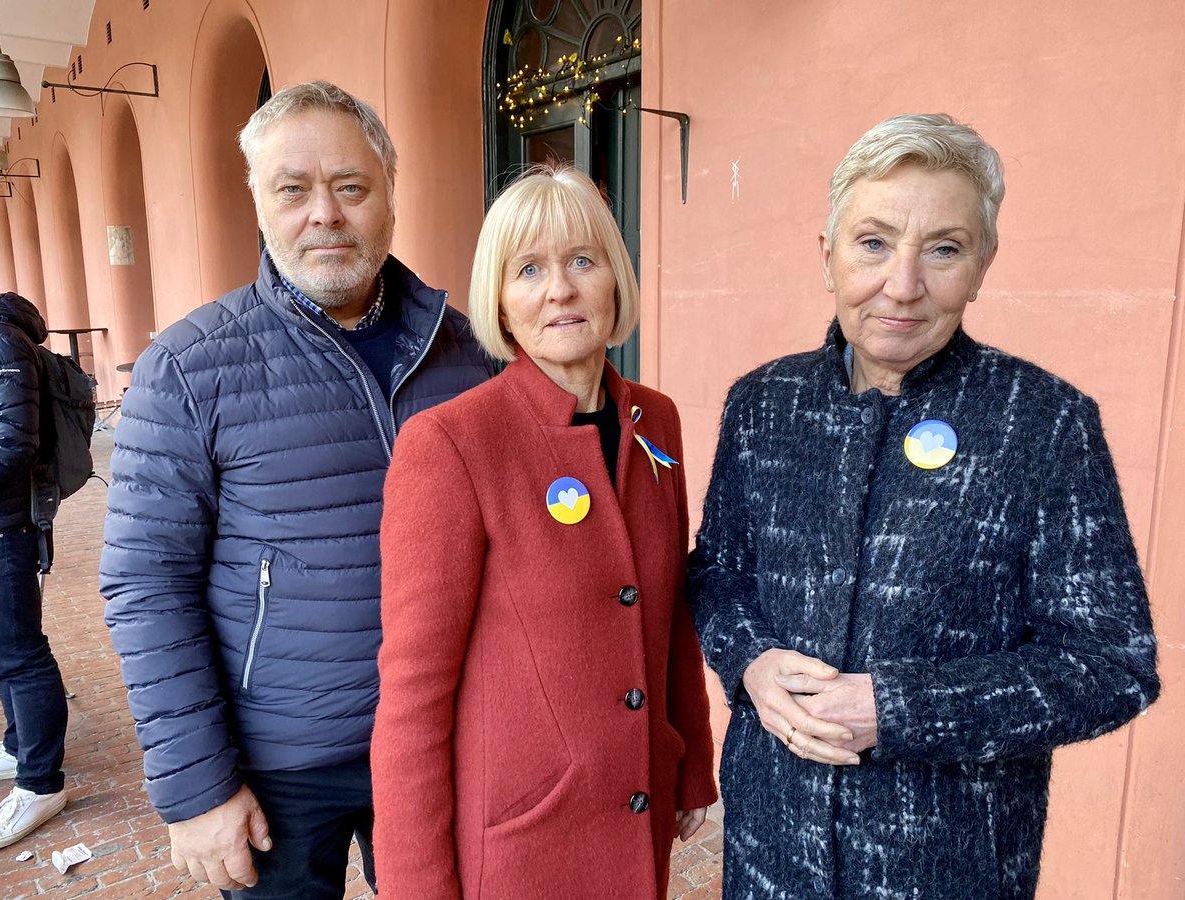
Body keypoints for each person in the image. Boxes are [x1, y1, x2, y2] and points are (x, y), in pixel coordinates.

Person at [688, 113, 1160, 899]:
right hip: (770, 851)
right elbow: (718, 572)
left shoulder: (1042, 423)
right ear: (827, 256)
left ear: (982, 266)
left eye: (943, 249)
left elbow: (1112, 664)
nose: (902, 286)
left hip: (951, 868)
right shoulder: (763, 404)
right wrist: (751, 662)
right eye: (873, 243)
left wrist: (901, 708)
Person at [99, 81, 491, 897]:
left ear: (389, 196)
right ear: (259, 202)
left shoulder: (471, 350)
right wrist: (196, 787)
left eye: (351, 186)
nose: (326, 214)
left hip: (445, 737)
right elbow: (145, 585)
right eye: (293, 189)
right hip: (276, 764)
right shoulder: (187, 370)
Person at [371, 166, 718, 898]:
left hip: (637, 811)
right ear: (500, 298)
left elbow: (669, 611)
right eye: (529, 269)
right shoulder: (453, 444)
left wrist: (689, 765)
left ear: (615, 280)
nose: (559, 289)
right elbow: (413, 696)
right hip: (522, 843)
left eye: (581, 262)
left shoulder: (655, 420)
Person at [0, 292, 70, 852]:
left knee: (21, 654)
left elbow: (9, 446)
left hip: (0, 528)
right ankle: (19, 745)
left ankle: (40, 783)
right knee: (3, 650)